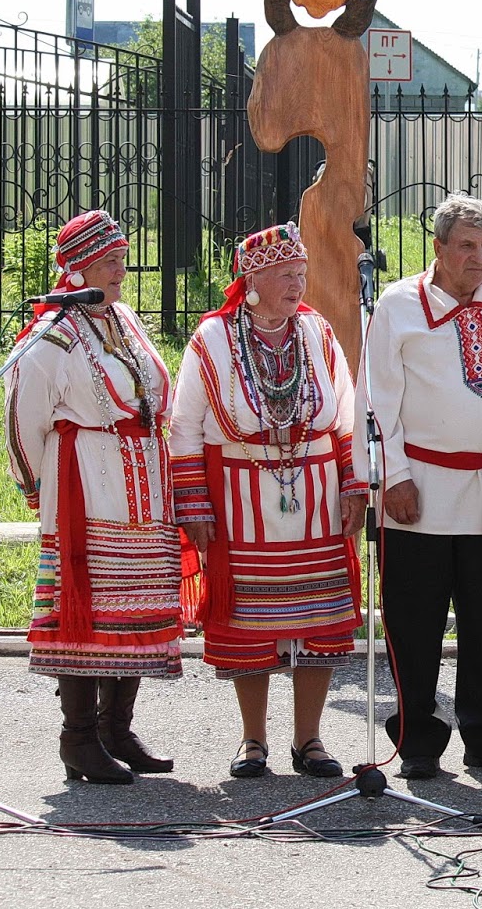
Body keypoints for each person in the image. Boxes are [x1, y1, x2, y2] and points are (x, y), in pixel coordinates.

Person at [170, 222, 367, 779]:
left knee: (321, 615)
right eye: (285, 273)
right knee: (250, 619)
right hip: (240, 498)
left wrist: (354, 483)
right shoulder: (212, 340)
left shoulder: (316, 332)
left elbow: (347, 412)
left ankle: (309, 740)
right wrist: (195, 504)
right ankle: (252, 740)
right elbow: (184, 426)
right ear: (250, 277)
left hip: (317, 495)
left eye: (301, 272)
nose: (297, 283)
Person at [354, 193, 482, 779]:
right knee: (415, 620)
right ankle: (417, 740)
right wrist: (393, 478)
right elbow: (375, 400)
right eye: (466, 246)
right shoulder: (397, 305)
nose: (479, 258)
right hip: (420, 490)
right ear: (438, 248)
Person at [5, 210, 181, 784]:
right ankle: (77, 737)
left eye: (122, 259)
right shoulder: (51, 337)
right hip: (85, 485)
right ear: (78, 268)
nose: (121, 270)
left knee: (131, 601)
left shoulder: (124, 319)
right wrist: (38, 487)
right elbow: (24, 419)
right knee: (86, 604)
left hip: (141, 484)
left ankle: (116, 727)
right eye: (109, 262)